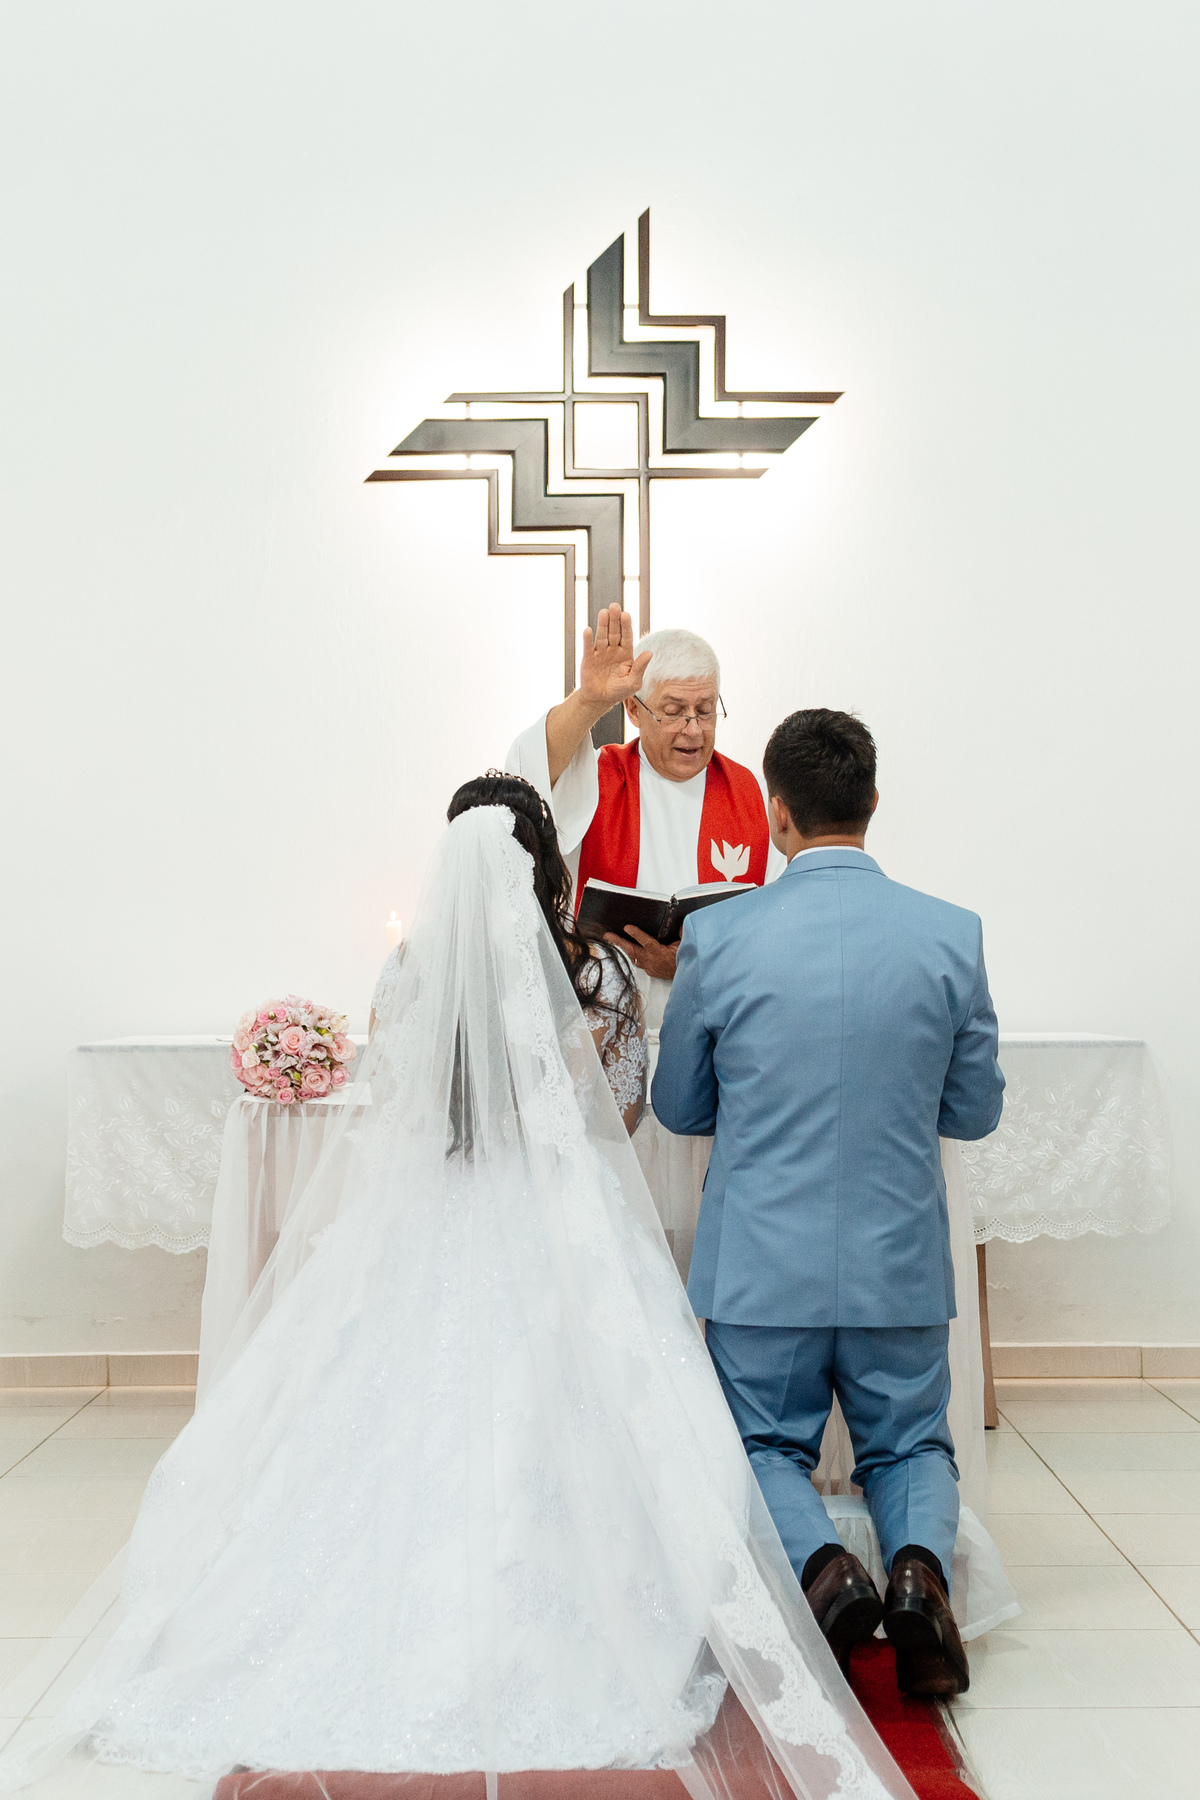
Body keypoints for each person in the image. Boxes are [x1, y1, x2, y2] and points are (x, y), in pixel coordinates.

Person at [0, 782, 913, 1800]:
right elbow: (618, 1112)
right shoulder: (596, 970)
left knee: (378, 1407)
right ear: (545, 861)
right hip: (552, 1219)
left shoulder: (410, 970)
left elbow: (398, 1094)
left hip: (428, 1212)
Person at [652, 709, 1007, 1695]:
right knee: (910, 1443)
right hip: (897, 1255)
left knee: (759, 1442)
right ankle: (918, 1577)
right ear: (873, 805)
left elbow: (679, 1107)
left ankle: (824, 1571)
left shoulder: (721, 936)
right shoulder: (950, 933)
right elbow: (973, 1111)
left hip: (764, 1261)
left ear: (775, 816)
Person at [506, 606, 781, 1276]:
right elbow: (524, 779)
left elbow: (768, 917)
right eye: (674, 711)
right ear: (635, 712)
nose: (693, 729)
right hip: (608, 1023)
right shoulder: (601, 775)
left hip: (711, 1023)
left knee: (694, 1211)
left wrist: (686, 959)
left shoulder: (746, 790)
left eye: (707, 710)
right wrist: (587, 699)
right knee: (617, 1220)